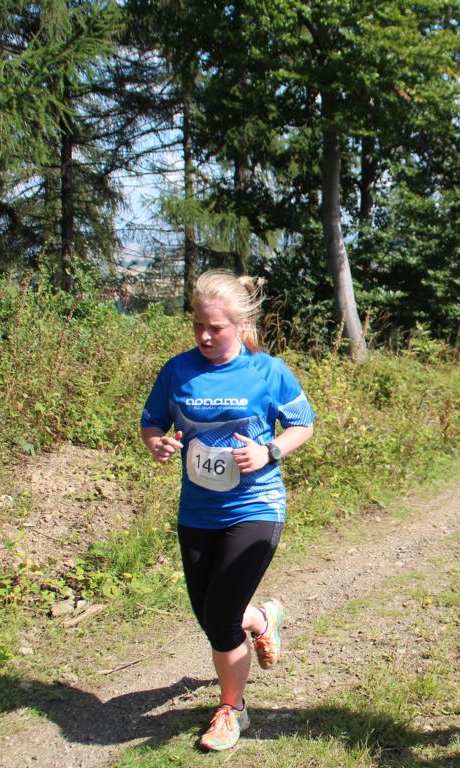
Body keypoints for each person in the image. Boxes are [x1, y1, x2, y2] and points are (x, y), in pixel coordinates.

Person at [140, 269, 315, 752]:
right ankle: (261, 620)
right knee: (211, 614)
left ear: (241, 325)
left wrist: (269, 451)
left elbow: (302, 424)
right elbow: (152, 422)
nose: (204, 336)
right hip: (198, 511)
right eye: (198, 324)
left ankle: (232, 710)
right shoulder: (178, 370)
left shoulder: (268, 371)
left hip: (256, 505)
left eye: (215, 328)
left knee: (219, 618)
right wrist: (156, 444)